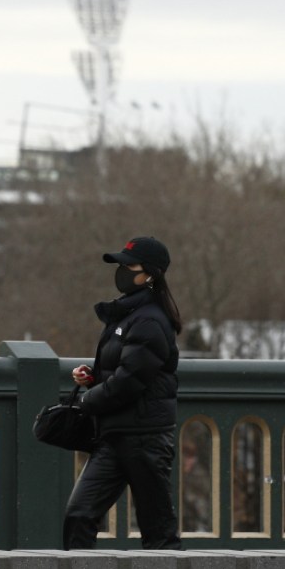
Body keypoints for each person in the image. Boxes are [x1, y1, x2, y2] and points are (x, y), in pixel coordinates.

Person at [63, 236, 184, 550]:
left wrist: (89, 400)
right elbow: (122, 372)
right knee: (79, 516)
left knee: (159, 535)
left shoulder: (150, 320)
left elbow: (131, 380)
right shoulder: (128, 316)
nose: (121, 271)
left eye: (129, 265)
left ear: (150, 274)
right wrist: (91, 379)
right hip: (115, 435)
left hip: (146, 438)